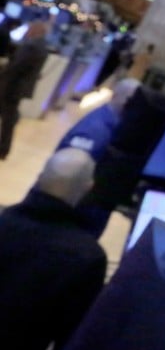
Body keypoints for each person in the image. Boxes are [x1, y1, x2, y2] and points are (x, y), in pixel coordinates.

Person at [0, 148, 107, 350]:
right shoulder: (88, 257)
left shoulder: (3, 221)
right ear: (88, 189)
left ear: (40, 178)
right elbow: (72, 339)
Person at [54, 77, 140, 236]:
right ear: (115, 95)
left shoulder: (118, 124)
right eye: (129, 100)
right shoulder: (94, 130)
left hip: (91, 210)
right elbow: (65, 177)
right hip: (70, 215)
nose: (133, 106)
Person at [0, 19, 51, 159]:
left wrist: (3, 71)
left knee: (8, 119)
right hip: (18, 88)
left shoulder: (31, 46)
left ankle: (3, 149)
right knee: (9, 117)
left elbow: (16, 67)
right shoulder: (42, 46)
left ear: (35, 30)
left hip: (12, 87)